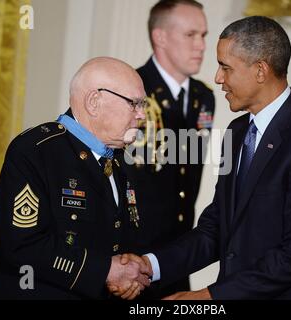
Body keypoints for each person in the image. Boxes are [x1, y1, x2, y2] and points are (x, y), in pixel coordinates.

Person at [117, 16, 291, 300]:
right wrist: (151, 265)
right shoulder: (237, 132)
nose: (217, 78)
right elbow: (216, 228)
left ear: (260, 70)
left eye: (226, 67)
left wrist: (208, 296)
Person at [0, 57, 152, 299]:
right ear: (94, 101)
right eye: (134, 104)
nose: (142, 115)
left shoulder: (122, 160)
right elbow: (23, 246)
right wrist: (104, 270)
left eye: (143, 104)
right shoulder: (36, 150)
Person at [123, 0, 215, 298]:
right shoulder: (130, 89)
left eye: (203, 35)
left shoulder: (203, 97)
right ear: (160, 37)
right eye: (191, 35)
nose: (201, 45)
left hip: (177, 255)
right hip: (131, 257)